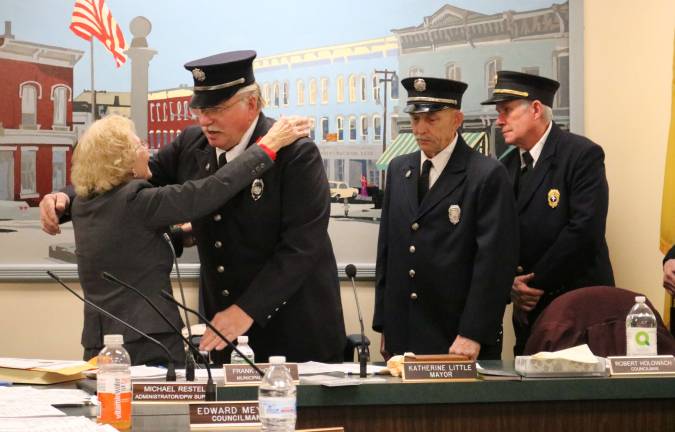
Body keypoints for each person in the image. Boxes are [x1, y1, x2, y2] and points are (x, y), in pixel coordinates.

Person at [42, 50, 346, 364]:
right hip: (221, 334)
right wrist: (66, 198)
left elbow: (302, 247)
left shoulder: (295, 154)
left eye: (215, 109)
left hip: (292, 329)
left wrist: (246, 310)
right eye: (199, 109)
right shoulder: (192, 145)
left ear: (252, 104)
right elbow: (119, 177)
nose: (204, 121)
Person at [67, 113, 304, 365]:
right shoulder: (137, 200)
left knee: (111, 403)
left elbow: (128, 248)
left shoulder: (83, 205)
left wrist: (187, 235)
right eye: (140, 146)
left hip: (98, 342)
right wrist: (266, 148)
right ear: (120, 161)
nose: (147, 150)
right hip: (148, 342)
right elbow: (210, 190)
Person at [372, 77, 519, 361]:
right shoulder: (399, 169)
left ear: (457, 120)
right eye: (415, 119)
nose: (419, 129)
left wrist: (473, 332)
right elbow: (388, 253)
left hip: (457, 337)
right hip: (404, 334)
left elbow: (495, 263)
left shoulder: (485, 174)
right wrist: (385, 324)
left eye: (432, 119)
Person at [481, 70, 615, 355]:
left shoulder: (581, 155)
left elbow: (584, 230)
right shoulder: (505, 168)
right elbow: (499, 238)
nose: (499, 120)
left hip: (577, 310)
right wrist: (510, 285)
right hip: (529, 314)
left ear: (536, 109)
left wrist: (534, 283)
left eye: (506, 110)